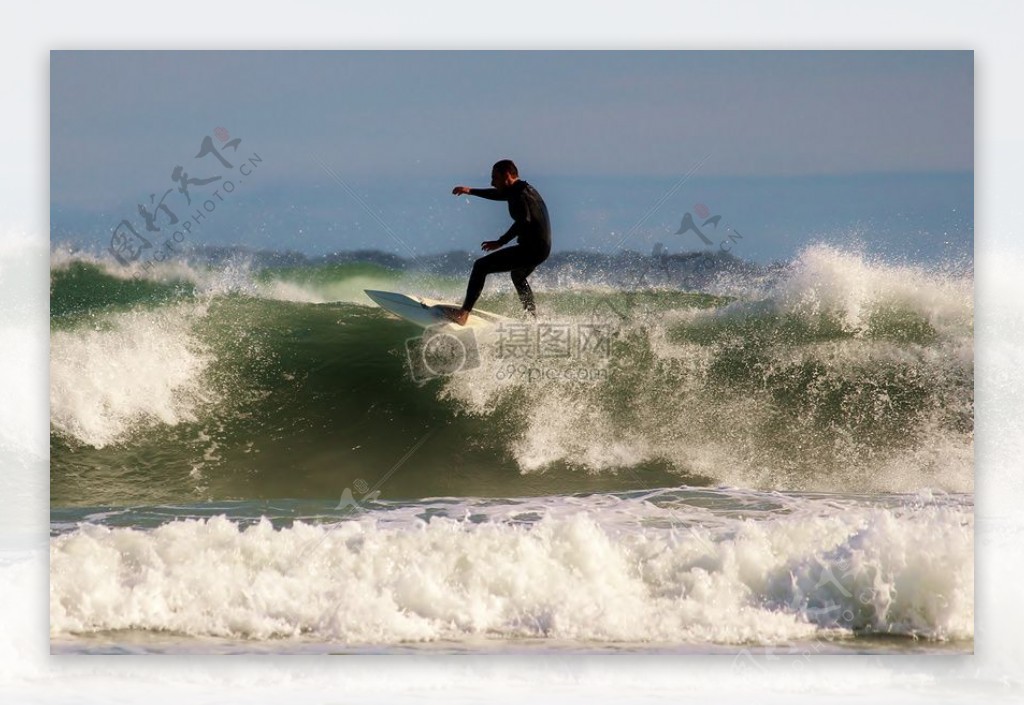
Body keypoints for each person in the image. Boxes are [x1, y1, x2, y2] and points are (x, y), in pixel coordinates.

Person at [445, 159, 551, 325]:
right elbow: (499, 194)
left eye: (495, 178)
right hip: (542, 248)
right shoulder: (522, 189)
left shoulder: (520, 194)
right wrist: (470, 191)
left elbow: (524, 220)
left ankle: (463, 314)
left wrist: (500, 242)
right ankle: (532, 319)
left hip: (531, 249)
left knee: (481, 266)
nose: (492, 182)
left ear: (507, 175)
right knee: (517, 275)